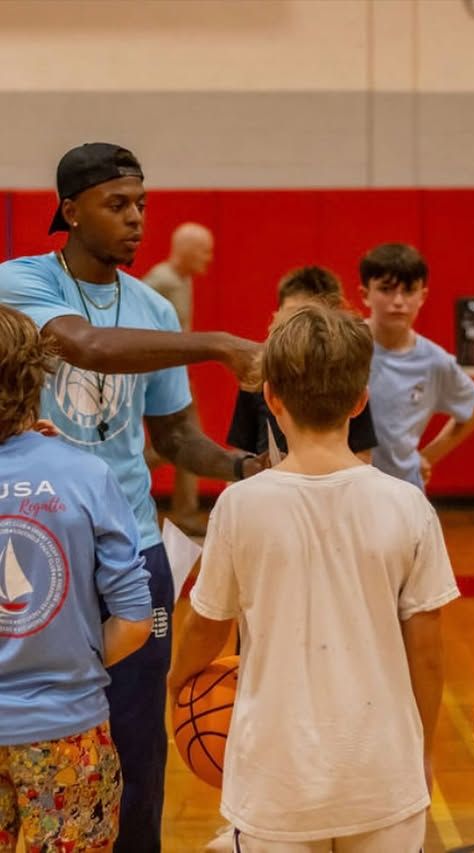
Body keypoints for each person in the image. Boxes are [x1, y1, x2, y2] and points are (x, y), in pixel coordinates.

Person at [0, 142, 264, 853]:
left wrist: (249, 466)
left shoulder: (152, 307)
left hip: (135, 551)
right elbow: (84, 345)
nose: (136, 219)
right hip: (41, 541)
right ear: (70, 211)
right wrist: (219, 344)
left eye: (141, 204)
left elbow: (176, 438)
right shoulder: (20, 282)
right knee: (41, 735)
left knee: (138, 743)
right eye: (117, 204)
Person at [169, 303, 460, 852]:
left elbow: (206, 628)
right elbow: (426, 652)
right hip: (382, 772)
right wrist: (422, 752)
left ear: (271, 397)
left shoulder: (239, 506)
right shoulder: (408, 506)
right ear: (361, 400)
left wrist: (175, 680)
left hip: (276, 778)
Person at [0, 304, 152, 852]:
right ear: (36, 376)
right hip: (68, 731)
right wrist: (66, 664)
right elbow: (134, 621)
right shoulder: (86, 474)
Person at [359, 242, 474, 490]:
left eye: (408, 291)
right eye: (386, 290)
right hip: (350, 488)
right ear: (365, 294)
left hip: (403, 489)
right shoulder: (346, 346)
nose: (398, 301)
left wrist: (427, 456)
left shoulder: (434, 361)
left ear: (423, 296)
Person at [227, 265, 377, 462]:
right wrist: (246, 474)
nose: (298, 327)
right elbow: (241, 448)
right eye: (291, 314)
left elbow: (362, 452)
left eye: (308, 318)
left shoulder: (343, 374)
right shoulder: (257, 372)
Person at [144, 222, 215, 536]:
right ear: (185, 249)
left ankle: (186, 511)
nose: (208, 258)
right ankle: (118, 474)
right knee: (182, 442)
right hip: (163, 374)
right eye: (204, 251)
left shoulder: (183, 279)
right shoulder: (160, 280)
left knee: (189, 439)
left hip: (178, 372)